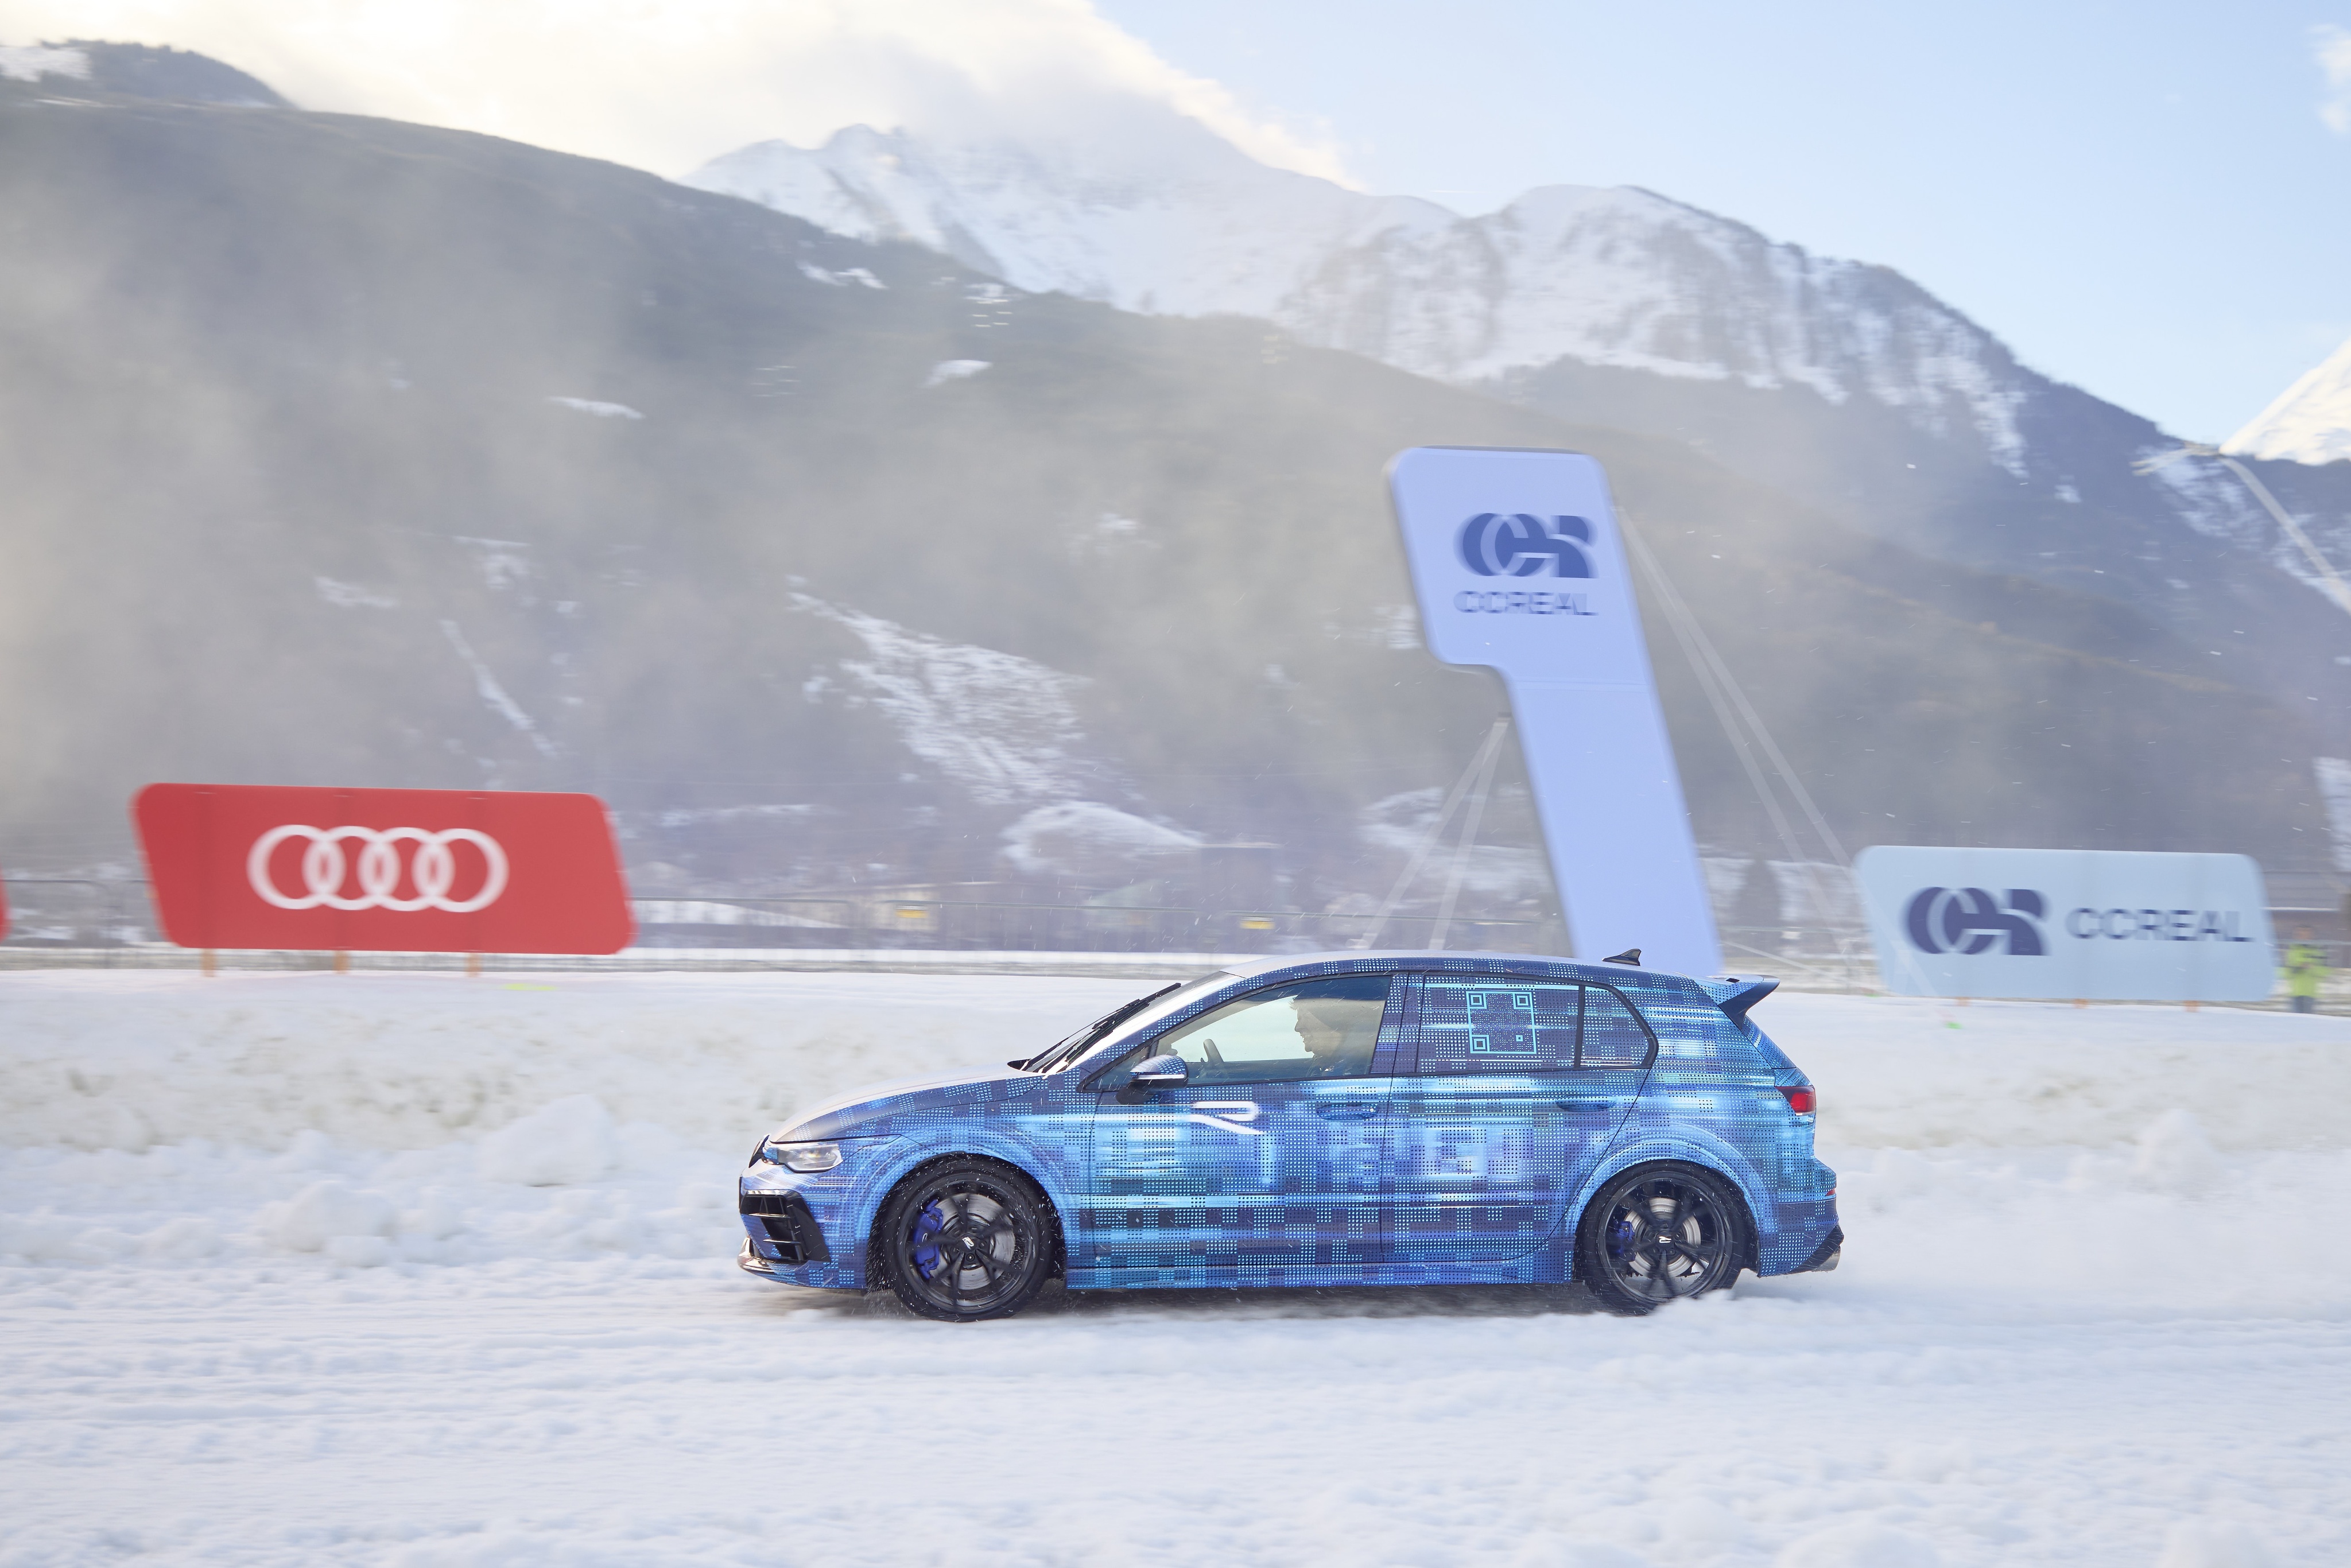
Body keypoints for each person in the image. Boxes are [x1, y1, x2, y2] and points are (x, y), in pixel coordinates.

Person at [2283, 925, 2327, 1015]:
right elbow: (2284, 972)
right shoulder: (2291, 951)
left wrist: (2312, 968)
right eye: (2300, 934)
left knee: (2308, 1021)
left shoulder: (2319, 952)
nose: (2304, 936)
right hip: (2295, 994)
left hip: (2311, 994)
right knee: (2295, 1020)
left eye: (2307, 933)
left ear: (2313, 935)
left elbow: (2325, 971)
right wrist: (2297, 968)